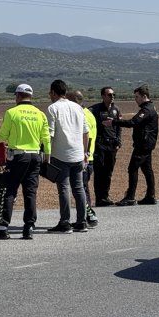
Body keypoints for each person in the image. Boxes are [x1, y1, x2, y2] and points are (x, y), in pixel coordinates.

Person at [0, 83, 50, 240]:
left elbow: (2, 135)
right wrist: (47, 155)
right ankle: (29, 227)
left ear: (19, 96)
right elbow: (46, 138)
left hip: (17, 157)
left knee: (9, 191)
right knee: (30, 192)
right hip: (35, 157)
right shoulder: (40, 114)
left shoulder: (11, 113)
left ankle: (2, 228)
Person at [45, 79, 90, 233]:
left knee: (64, 188)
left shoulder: (52, 109)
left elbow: (49, 134)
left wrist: (47, 155)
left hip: (61, 155)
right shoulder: (78, 107)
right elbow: (86, 132)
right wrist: (85, 152)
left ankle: (65, 222)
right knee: (79, 188)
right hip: (78, 154)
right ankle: (81, 221)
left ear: (53, 92)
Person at [104, 84, 159, 206]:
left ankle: (130, 196)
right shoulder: (151, 108)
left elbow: (133, 122)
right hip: (147, 144)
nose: (136, 100)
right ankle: (150, 195)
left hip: (143, 144)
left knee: (132, 168)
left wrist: (114, 122)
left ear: (144, 97)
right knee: (147, 169)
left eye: (137, 97)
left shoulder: (146, 110)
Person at [67, 90, 98, 227]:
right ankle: (88, 216)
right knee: (82, 188)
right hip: (88, 157)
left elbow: (88, 137)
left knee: (81, 189)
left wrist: (83, 154)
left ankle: (90, 216)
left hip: (84, 158)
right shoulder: (89, 113)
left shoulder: (81, 114)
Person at [88, 87, 122, 206]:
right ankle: (99, 198)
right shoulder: (95, 109)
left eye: (113, 94)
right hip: (100, 145)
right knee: (99, 172)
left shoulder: (116, 109)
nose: (112, 97)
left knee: (108, 172)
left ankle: (105, 197)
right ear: (103, 96)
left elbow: (118, 127)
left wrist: (118, 141)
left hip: (112, 145)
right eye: (109, 95)